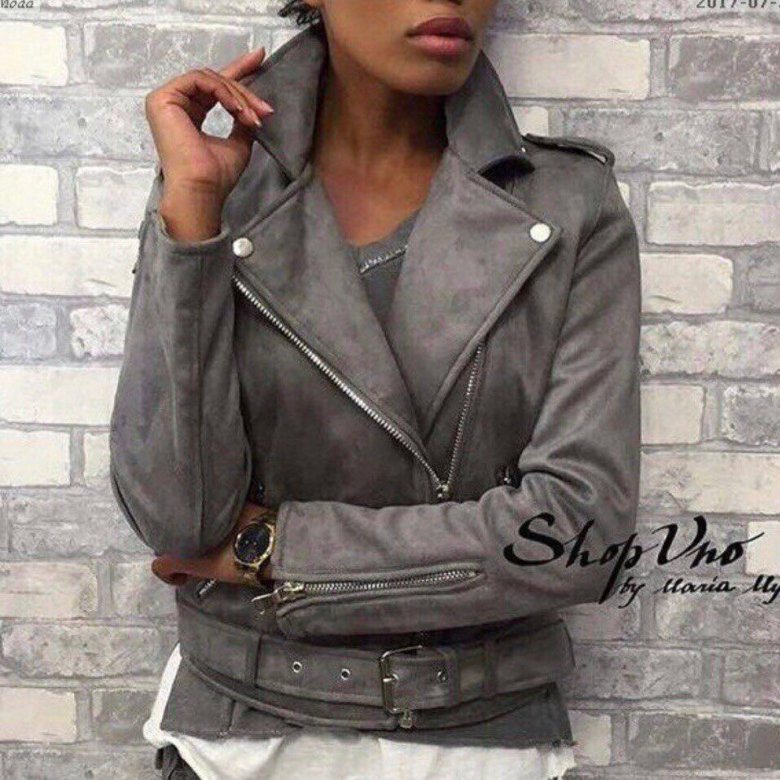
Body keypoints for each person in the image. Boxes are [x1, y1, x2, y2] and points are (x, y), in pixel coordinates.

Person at [109, 0, 642, 777]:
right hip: (238, 744)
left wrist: (274, 548)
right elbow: (179, 520)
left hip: (482, 742)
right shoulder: (217, 183)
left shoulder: (569, 204)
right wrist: (192, 216)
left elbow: (576, 536)